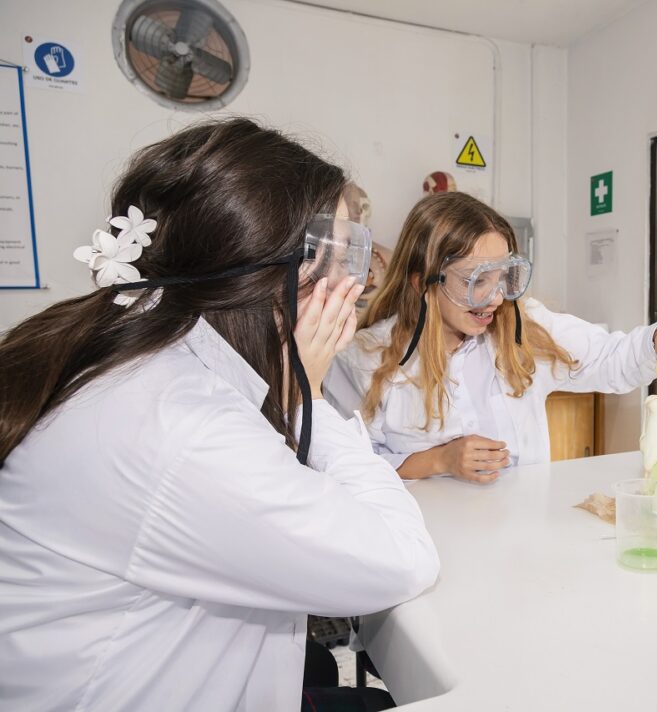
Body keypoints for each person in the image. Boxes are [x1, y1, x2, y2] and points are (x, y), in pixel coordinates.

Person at [0, 118, 439, 710]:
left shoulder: (140, 351)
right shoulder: (184, 427)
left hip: (147, 659)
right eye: (333, 259)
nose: (352, 287)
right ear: (266, 275)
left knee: (315, 666)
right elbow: (400, 559)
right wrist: (305, 396)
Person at [324, 192, 657, 483]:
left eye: (503, 277)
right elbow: (347, 467)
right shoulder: (363, 358)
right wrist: (439, 460)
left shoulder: (521, 330)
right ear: (420, 280)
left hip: (522, 533)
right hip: (430, 539)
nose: (495, 298)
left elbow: (608, 357)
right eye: (475, 280)